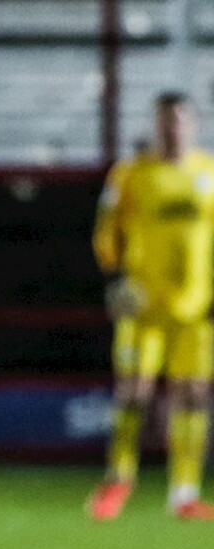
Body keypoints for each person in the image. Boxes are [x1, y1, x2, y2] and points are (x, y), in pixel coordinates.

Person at [87, 91, 214, 521]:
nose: (173, 128)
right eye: (166, 121)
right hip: (143, 308)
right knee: (133, 394)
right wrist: (115, 278)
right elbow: (107, 230)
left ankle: (184, 492)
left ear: (192, 125)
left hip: (196, 309)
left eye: (180, 120)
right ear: (154, 125)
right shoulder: (131, 174)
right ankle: (118, 480)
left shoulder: (208, 172)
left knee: (194, 396)